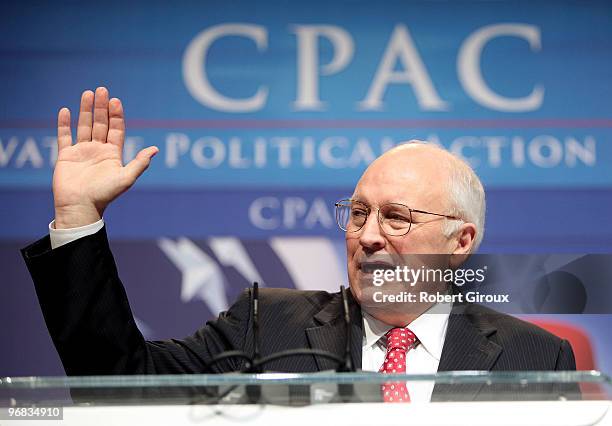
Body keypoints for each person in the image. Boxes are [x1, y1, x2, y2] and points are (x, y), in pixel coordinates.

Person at [22, 87, 576, 402]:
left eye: (397, 218)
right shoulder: (266, 325)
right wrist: (78, 220)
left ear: (461, 241)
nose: (369, 235)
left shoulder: (538, 358)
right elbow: (123, 386)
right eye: (358, 213)